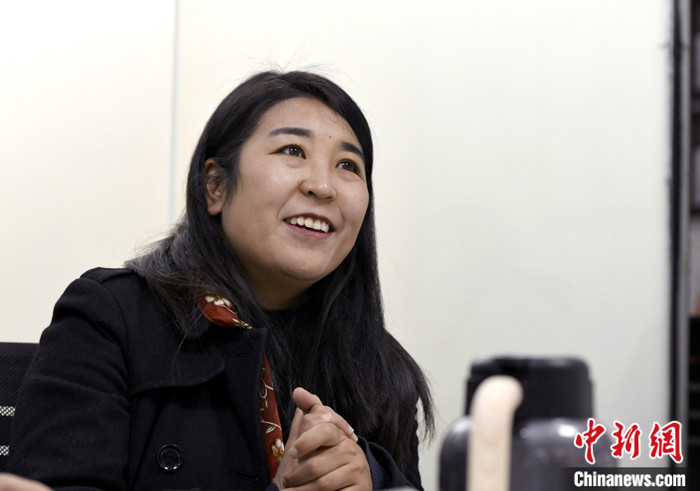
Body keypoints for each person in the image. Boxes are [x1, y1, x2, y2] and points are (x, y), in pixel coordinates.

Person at [4, 71, 434, 490]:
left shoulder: (379, 367)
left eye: (347, 165)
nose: (322, 186)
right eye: (292, 150)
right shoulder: (109, 318)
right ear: (215, 186)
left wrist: (374, 478)